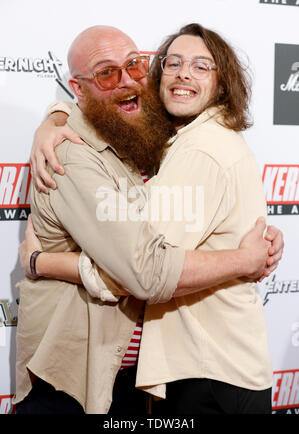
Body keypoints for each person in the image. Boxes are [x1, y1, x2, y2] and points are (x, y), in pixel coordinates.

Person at [16, 24, 283, 415]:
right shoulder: (73, 153)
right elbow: (146, 269)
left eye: (135, 65)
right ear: (78, 88)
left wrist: (44, 262)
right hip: (76, 383)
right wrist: (53, 119)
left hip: (183, 376)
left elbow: (143, 266)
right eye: (107, 72)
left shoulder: (162, 138)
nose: (126, 80)